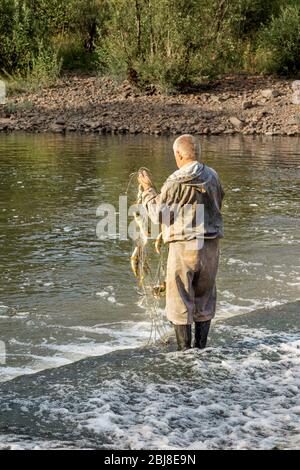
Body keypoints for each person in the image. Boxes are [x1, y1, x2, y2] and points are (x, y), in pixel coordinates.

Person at [138, 134, 225, 351]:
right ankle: (201, 349)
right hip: (210, 247)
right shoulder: (213, 175)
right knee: (204, 299)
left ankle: (185, 354)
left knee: (180, 300)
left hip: (184, 247)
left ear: (178, 154)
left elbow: (159, 214)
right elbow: (218, 201)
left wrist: (149, 190)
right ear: (197, 152)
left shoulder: (175, 180)